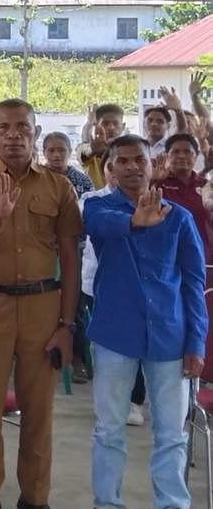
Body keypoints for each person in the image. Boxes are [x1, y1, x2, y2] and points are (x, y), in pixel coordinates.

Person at [0, 99, 82, 509]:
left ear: (36, 132)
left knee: (38, 414)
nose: (13, 135)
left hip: (43, 306)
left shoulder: (58, 186)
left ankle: (35, 500)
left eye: (22, 127)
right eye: (3, 127)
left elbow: (71, 257)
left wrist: (67, 324)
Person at [84, 134, 207, 509]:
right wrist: (135, 222)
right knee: (108, 430)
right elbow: (100, 224)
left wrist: (196, 343)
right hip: (115, 336)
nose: (133, 166)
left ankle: (171, 503)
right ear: (111, 168)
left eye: (139, 159)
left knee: (172, 433)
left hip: (170, 336)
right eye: (122, 161)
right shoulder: (97, 208)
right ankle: (107, 503)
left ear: (153, 163)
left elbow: (194, 283)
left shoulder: (180, 217)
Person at [158, 132, 212, 257]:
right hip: (167, 255)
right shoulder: (157, 185)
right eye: (175, 152)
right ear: (167, 156)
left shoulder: (206, 186)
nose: (181, 156)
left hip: (203, 255)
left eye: (188, 152)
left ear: (196, 155)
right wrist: (153, 180)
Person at [79, 103, 125, 189]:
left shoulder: (131, 149)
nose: (111, 128)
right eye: (105, 123)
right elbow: (83, 156)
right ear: (97, 126)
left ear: (123, 126)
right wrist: (94, 151)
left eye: (115, 123)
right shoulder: (89, 149)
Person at [42, 132, 94, 198]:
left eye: (61, 150)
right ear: (44, 152)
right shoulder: (35, 179)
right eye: (51, 150)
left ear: (70, 152)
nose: (56, 155)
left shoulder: (83, 181)